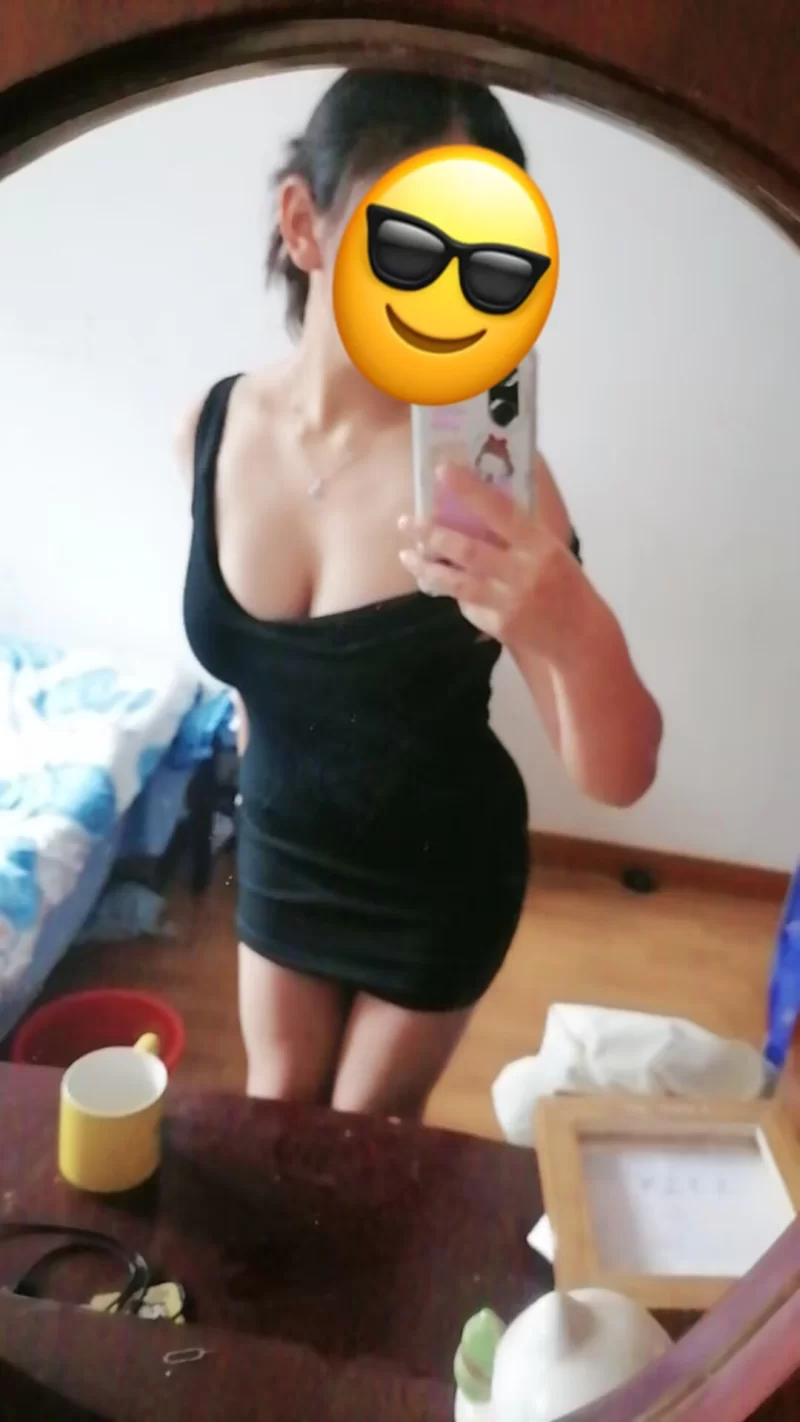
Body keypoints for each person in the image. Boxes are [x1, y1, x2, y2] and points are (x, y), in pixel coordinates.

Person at [177, 70, 662, 1120]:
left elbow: (620, 778)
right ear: (304, 225)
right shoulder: (209, 433)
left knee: (361, 1139)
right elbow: (263, 677)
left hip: (436, 873)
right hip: (284, 842)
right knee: (275, 1107)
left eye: (485, 263)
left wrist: (570, 622)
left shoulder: (494, 484)